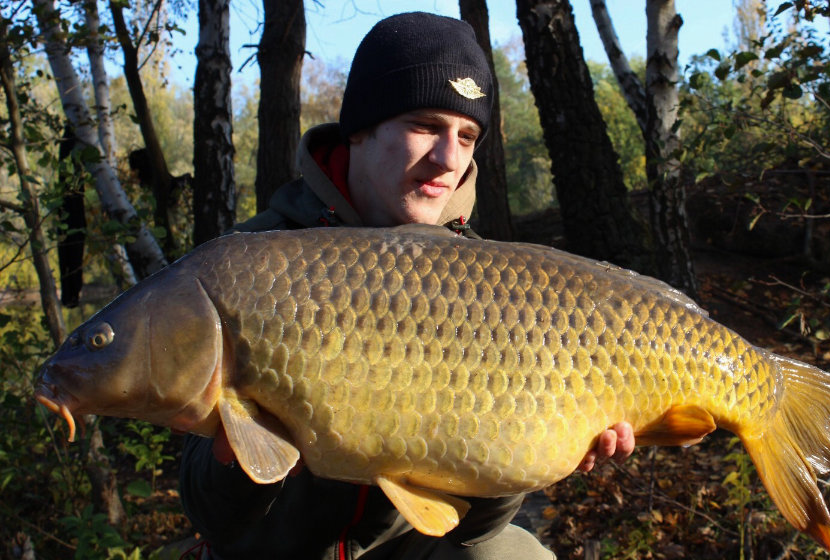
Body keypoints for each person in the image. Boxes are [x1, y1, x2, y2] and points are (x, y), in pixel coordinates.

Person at [179, 12, 635, 560]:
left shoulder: (491, 286)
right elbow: (211, 516)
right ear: (361, 129)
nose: (449, 159)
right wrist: (238, 452)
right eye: (425, 125)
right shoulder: (253, 265)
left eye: (467, 136)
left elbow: (470, 529)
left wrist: (539, 455)